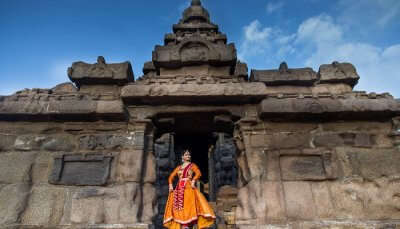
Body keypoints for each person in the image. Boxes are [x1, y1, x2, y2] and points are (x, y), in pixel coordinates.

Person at [163, 149, 216, 229]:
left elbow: (198, 173)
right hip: (179, 190)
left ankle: (187, 225)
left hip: (189, 188)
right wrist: (170, 185)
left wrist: (193, 180)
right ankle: (184, 225)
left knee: (189, 206)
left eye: (189, 155)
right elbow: (170, 177)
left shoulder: (192, 166)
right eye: (186, 155)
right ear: (182, 157)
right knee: (179, 208)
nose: (188, 156)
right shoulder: (179, 168)